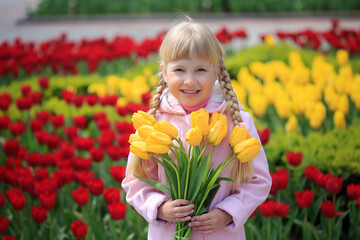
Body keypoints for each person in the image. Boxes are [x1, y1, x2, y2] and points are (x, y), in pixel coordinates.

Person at [122, 16, 272, 240]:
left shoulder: (235, 120)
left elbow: (259, 180)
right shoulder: (154, 122)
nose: (190, 80)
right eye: (180, 70)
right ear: (165, 72)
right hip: (169, 233)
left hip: (219, 234)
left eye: (200, 69)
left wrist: (226, 213)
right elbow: (135, 182)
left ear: (215, 73)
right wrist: (161, 208)